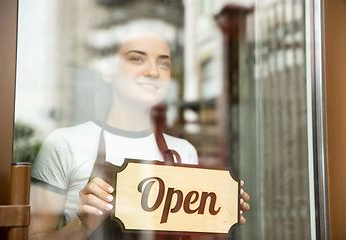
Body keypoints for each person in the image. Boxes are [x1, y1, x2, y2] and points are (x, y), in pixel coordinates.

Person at [29, 32, 250, 240]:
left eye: (164, 63)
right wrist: (83, 225)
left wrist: (220, 215)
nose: (153, 72)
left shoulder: (184, 152)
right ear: (107, 70)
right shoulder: (64, 144)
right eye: (136, 59)